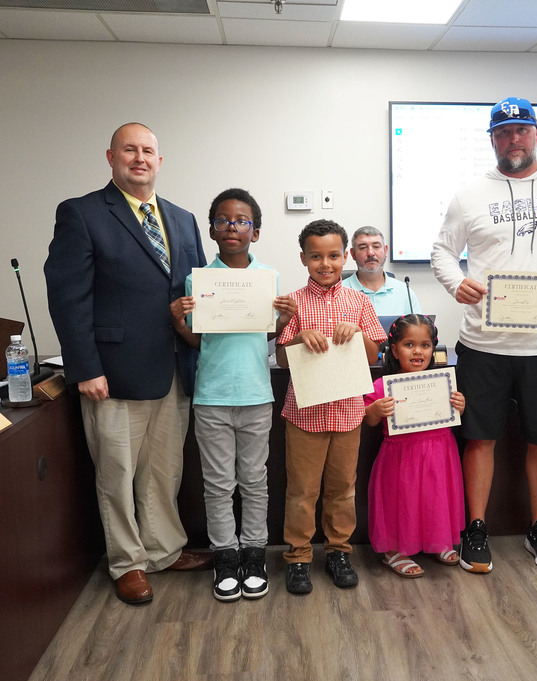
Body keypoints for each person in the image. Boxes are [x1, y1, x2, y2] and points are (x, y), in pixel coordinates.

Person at [431, 96, 537, 574]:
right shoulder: (469, 194)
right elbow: (442, 252)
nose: (513, 139)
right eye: (503, 132)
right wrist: (455, 281)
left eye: (521, 130)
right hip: (483, 342)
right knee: (479, 439)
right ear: (492, 139)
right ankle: (476, 529)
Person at [44, 122, 212, 605]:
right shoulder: (82, 214)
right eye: (129, 150)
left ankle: (163, 550)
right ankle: (128, 562)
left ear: (160, 161)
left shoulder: (181, 218)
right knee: (116, 473)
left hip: (174, 369)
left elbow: (195, 290)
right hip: (112, 372)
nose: (140, 158)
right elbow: (67, 298)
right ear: (111, 157)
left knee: (164, 471)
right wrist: (85, 368)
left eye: (148, 151)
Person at [170, 188, 297, 602]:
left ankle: (254, 553)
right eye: (223, 220)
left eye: (241, 221)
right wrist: (177, 321)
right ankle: (226, 554)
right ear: (212, 229)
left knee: (255, 481)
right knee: (218, 484)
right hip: (211, 396)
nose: (231, 227)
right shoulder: (197, 279)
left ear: (255, 232)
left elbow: (266, 333)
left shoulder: (269, 278)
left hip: (257, 394)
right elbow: (196, 341)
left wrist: (283, 319)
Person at [276, 219, 387, 595]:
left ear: (346, 256)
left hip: (347, 413)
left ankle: (339, 551)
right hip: (304, 415)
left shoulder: (359, 302)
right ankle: (299, 557)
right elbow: (281, 360)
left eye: (334, 255)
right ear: (304, 259)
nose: (326, 264)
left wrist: (356, 334)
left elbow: (374, 354)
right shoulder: (294, 303)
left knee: (342, 488)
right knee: (301, 490)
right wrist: (295, 338)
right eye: (316, 257)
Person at [364, 314, 465, 578]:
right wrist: (376, 408)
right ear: (395, 350)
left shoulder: (443, 384)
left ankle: (436, 539)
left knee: (435, 497)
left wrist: (460, 406)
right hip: (401, 457)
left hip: (439, 453)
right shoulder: (381, 386)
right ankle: (394, 550)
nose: (418, 351)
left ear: (434, 348)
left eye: (425, 345)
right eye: (409, 345)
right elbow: (370, 420)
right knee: (402, 501)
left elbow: (456, 416)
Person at [342, 226, 421, 315]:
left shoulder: (405, 292)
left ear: (385, 251)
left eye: (376, 246)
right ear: (353, 254)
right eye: (363, 247)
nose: (370, 253)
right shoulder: (338, 292)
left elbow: (419, 327)